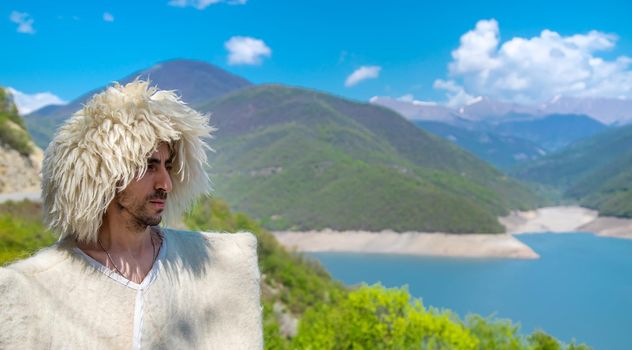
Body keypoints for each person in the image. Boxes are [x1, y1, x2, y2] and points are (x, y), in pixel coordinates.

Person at [0, 80, 263, 349]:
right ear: (103, 174)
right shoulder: (32, 290)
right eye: (149, 166)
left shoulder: (219, 264)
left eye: (167, 166)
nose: (166, 184)